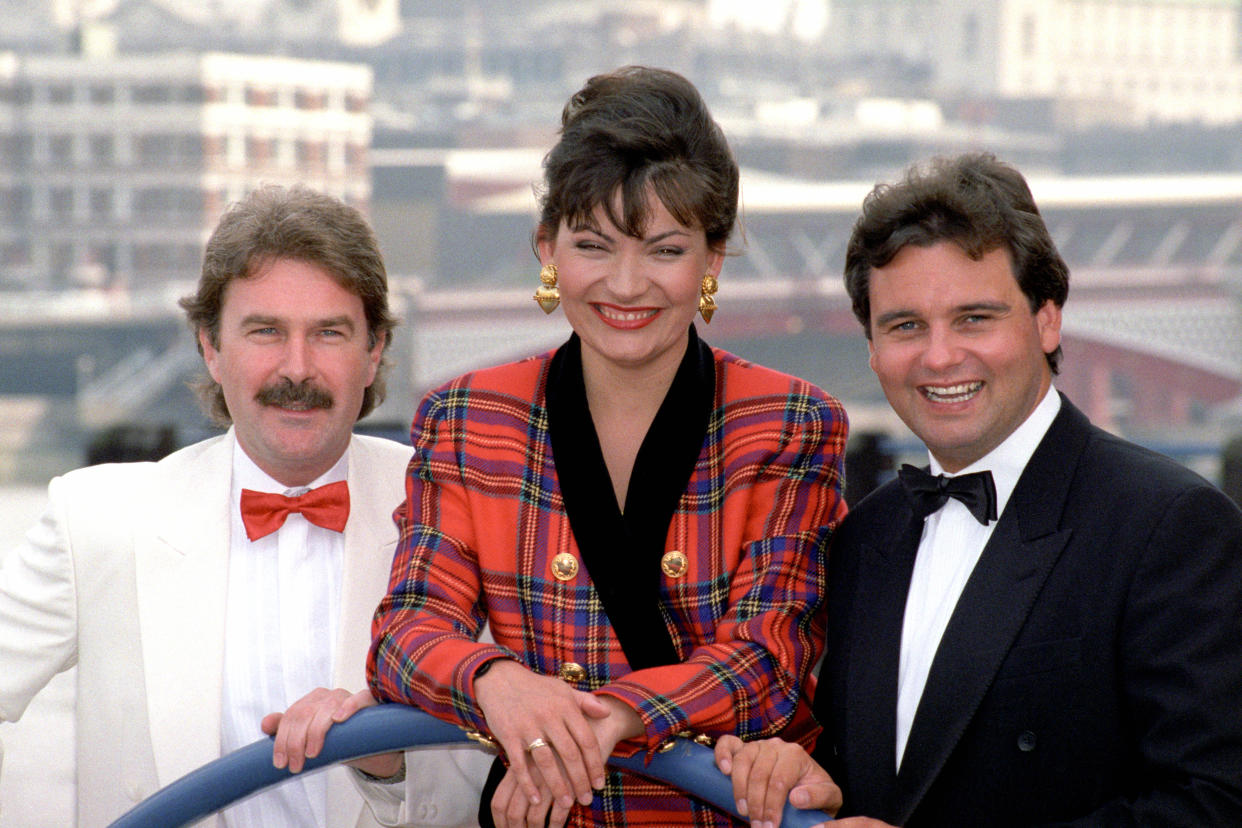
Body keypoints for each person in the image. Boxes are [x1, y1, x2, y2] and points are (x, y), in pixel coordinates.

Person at [366, 66, 849, 828]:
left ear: (713, 258)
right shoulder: (466, 417)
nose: (626, 286)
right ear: (547, 247)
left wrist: (603, 722)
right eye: (594, 245)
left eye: (663, 251)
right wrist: (497, 682)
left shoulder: (788, 421)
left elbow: (769, 663)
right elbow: (405, 632)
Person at [713, 152, 1242, 827]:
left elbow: (1216, 803)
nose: (939, 357)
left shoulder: (1172, 526)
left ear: (1047, 320)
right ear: (871, 347)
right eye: (906, 326)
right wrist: (814, 776)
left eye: (974, 319)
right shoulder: (862, 540)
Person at [0, 185, 490, 827]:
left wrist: (390, 764)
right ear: (210, 345)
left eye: (329, 333)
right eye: (265, 331)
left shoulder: (460, 505)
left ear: (374, 352)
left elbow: (510, 769)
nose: (297, 368)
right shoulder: (93, 520)